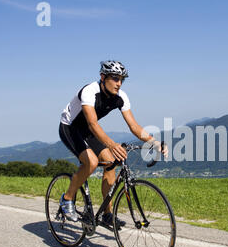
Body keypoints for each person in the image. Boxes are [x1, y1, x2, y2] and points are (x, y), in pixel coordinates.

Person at [58, 60, 167, 228]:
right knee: (92, 162)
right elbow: (93, 124)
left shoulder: (121, 97)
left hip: (88, 130)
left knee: (110, 162)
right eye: (115, 78)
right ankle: (67, 200)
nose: (119, 83)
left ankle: (107, 214)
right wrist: (111, 144)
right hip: (70, 127)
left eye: (122, 79)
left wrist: (153, 141)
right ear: (103, 77)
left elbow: (133, 126)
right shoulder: (90, 92)